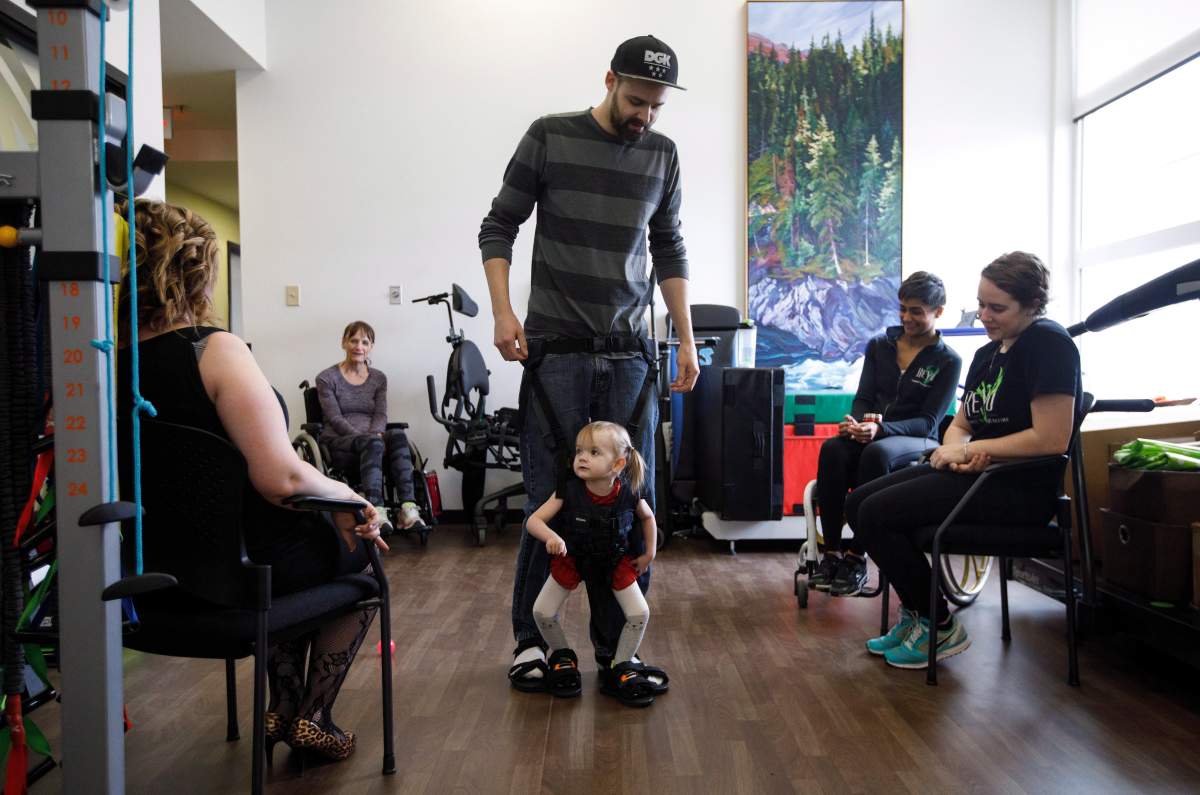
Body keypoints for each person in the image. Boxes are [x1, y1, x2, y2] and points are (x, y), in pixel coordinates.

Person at [117, 199, 388, 761]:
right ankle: (310, 716)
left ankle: (280, 712)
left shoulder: (102, 363)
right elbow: (281, 479)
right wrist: (356, 499)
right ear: (199, 272)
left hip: (149, 578)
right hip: (239, 574)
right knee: (359, 565)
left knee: (292, 561)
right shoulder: (213, 350)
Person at [478, 35, 700, 692]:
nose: (645, 117)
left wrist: (684, 339)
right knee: (552, 496)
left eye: (656, 106)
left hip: (632, 358)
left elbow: (670, 247)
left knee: (631, 504)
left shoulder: (663, 155)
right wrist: (501, 311)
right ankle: (531, 643)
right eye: (636, 100)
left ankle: (617, 651)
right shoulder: (550, 136)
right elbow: (499, 225)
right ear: (609, 80)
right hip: (559, 356)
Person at [846, 252, 1081, 669]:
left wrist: (972, 452)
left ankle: (938, 624)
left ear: (1031, 305)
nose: (984, 316)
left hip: (1017, 487)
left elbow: (1051, 437)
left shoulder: (1049, 343)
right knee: (857, 503)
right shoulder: (989, 354)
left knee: (877, 515)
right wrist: (956, 450)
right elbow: (961, 422)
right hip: (975, 474)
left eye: (997, 308)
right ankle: (919, 615)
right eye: (981, 304)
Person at [812, 271, 962, 596]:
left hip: (916, 439)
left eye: (917, 311)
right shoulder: (879, 346)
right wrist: (854, 423)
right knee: (833, 449)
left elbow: (928, 421)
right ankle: (832, 552)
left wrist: (881, 429)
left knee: (877, 453)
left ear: (939, 311)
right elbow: (865, 395)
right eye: (903, 309)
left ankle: (857, 555)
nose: (907, 317)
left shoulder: (948, 361)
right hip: (873, 432)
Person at [527, 422, 658, 707]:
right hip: (574, 559)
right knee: (542, 611)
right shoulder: (568, 490)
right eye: (579, 451)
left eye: (594, 452)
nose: (582, 457)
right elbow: (533, 521)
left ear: (618, 463)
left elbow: (648, 518)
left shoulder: (630, 492)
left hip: (614, 561)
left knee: (640, 613)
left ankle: (621, 666)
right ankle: (562, 656)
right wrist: (551, 537)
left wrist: (649, 553)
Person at [315, 321, 424, 534]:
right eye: (353, 340)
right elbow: (335, 418)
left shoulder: (378, 378)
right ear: (344, 342)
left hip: (373, 439)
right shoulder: (326, 378)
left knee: (398, 435)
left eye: (365, 342)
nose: (359, 346)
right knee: (373, 442)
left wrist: (375, 435)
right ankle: (377, 511)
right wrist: (365, 438)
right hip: (340, 442)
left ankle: (408, 508)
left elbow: (381, 413)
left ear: (371, 346)